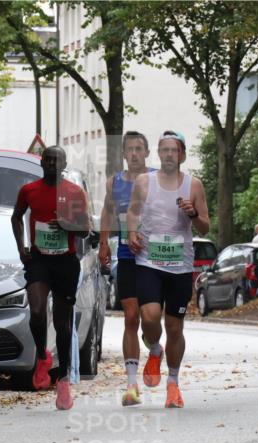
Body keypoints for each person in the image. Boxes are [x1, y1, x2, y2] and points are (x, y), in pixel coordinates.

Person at [126, 130, 210, 409]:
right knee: (149, 317)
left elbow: (206, 226)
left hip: (180, 266)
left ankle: (173, 385)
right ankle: (154, 348)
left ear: (183, 155)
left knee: (174, 327)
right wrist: (131, 233)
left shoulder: (193, 185)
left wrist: (192, 214)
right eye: (165, 150)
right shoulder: (144, 181)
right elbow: (133, 212)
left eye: (175, 150)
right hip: (149, 261)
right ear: (159, 154)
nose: (170, 155)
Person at [11, 146, 91, 410]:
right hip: (39, 260)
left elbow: (85, 229)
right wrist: (21, 246)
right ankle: (43, 355)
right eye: (48, 159)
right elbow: (16, 217)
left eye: (57, 160)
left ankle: (64, 380)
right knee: (35, 311)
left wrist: (68, 225)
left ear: (64, 163)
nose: (52, 163)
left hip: (65, 262)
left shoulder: (74, 192)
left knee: (62, 323)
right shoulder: (29, 190)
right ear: (42, 162)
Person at [99, 131, 154, 406]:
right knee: (131, 317)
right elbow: (107, 212)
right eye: (129, 149)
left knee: (150, 318)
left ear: (147, 153)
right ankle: (131, 384)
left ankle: (154, 346)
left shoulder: (158, 180)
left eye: (139, 149)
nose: (134, 153)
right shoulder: (114, 183)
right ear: (123, 154)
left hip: (154, 259)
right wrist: (103, 244)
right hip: (126, 256)